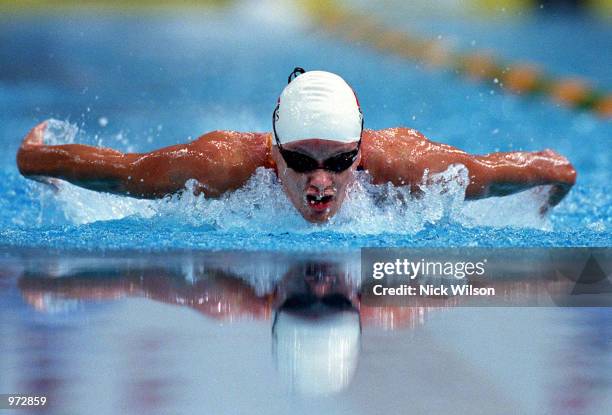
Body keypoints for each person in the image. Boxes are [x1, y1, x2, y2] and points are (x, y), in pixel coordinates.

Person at [16, 68, 577, 223]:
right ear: (273, 150)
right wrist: (36, 160)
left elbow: (550, 169)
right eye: (301, 161)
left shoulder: (411, 168)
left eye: (338, 162)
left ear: (360, 152)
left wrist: (547, 195)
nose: (320, 181)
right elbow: (121, 173)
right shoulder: (221, 167)